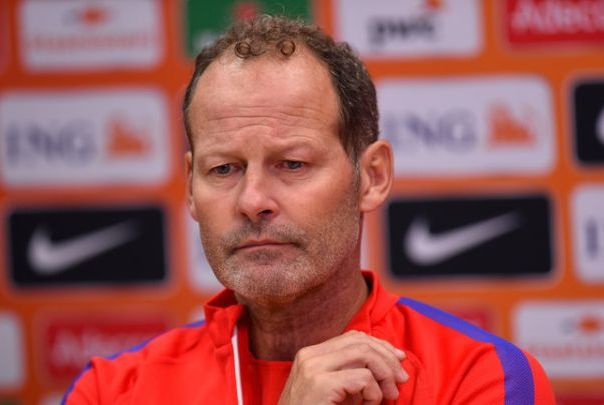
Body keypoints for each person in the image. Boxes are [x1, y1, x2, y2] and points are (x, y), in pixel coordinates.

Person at [63, 15, 555, 404]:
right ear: (191, 187)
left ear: (372, 176)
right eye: (224, 169)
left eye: (292, 164)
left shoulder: (479, 377)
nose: (253, 200)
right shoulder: (112, 391)